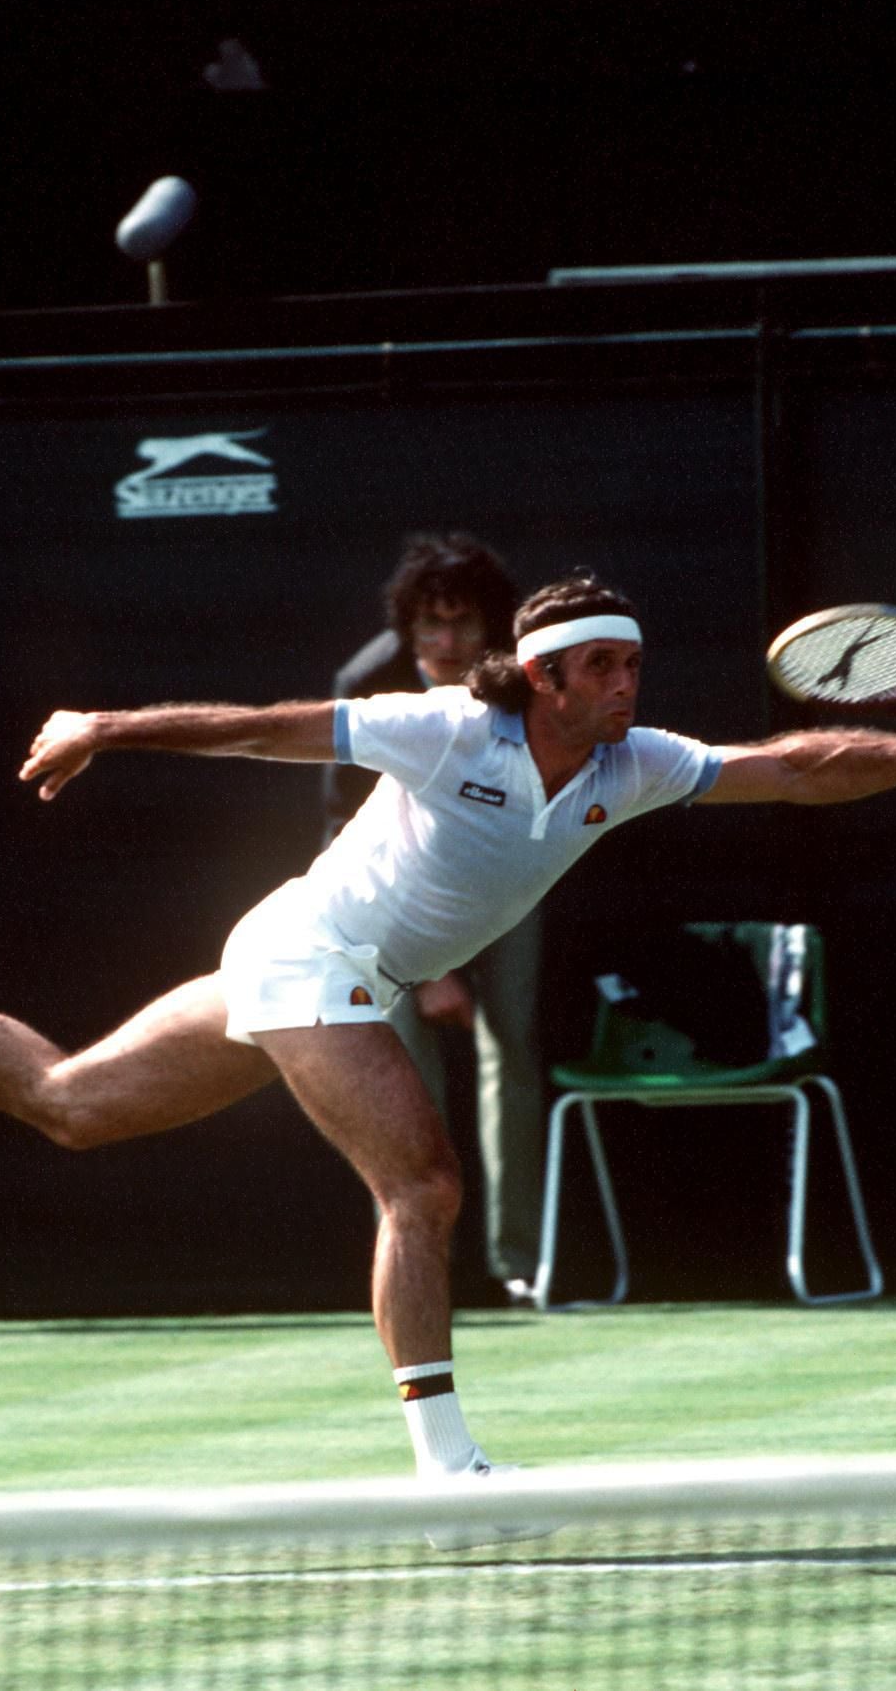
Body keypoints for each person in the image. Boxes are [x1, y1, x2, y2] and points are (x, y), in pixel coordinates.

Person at [0, 572, 896, 1479]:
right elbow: (269, 731)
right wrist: (107, 725)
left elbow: (789, 767)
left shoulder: (635, 763)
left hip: (324, 967)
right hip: (311, 950)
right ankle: (447, 1464)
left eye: (633, 666)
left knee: (74, 1102)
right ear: (544, 674)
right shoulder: (449, 727)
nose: (628, 684)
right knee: (423, 1182)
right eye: (603, 666)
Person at [327, 533, 548, 1305]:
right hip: (388, 905)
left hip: (508, 885)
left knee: (513, 1051)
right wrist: (435, 970)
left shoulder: (524, 680)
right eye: (432, 625)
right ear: (408, 628)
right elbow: (340, 817)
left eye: (464, 623)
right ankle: (428, 1266)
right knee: (400, 1085)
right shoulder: (368, 683)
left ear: (493, 628)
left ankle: (518, 1265)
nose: (449, 642)